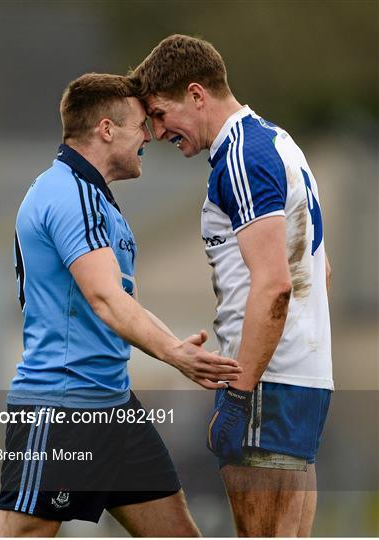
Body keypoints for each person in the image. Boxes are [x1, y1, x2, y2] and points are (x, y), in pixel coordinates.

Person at [0, 73, 242, 537]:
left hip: (114, 407)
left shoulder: (99, 201)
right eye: (140, 125)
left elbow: (123, 302)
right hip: (64, 407)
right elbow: (106, 300)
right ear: (106, 129)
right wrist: (174, 356)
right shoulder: (67, 192)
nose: (150, 135)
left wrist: (178, 349)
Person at [130, 35, 334, 537]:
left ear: (197, 95)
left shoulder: (240, 155)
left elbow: (275, 285)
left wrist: (239, 398)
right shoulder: (276, 140)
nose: (155, 132)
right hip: (300, 377)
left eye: (159, 114)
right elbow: (319, 273)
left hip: (268, 382)